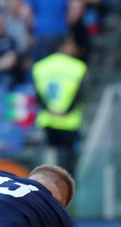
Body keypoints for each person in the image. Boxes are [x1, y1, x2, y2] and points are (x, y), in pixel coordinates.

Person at [32, 36, 86, 178]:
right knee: (68, 163)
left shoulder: (40, 66)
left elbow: (37, 93)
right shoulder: (78, 67)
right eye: (72, 44)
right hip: (69, 121)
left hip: (48, 119)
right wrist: (66, 111)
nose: (75, 49)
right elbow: (80, 94)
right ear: (63, 46)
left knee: (48, 161)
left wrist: (49, 109)